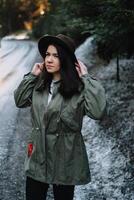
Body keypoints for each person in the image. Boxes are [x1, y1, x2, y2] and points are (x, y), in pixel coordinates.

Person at [14, 34, 106, 200]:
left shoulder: (78, 88)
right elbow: (19, 101)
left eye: (55, 56)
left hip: (65, 159)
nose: (49, 60)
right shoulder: (39, 84)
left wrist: (86, 79)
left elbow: (98, 112)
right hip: (38, 157)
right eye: (47, 55)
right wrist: (32, 76)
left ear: (65, 59)